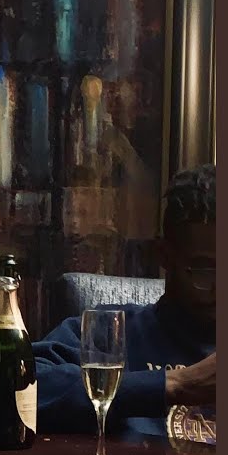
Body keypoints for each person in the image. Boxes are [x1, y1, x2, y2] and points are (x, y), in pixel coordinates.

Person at [36, 163, 216, 437]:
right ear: (164, 256)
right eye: (205, 270)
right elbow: (22, 386)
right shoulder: (112, 332)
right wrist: (175, 384)